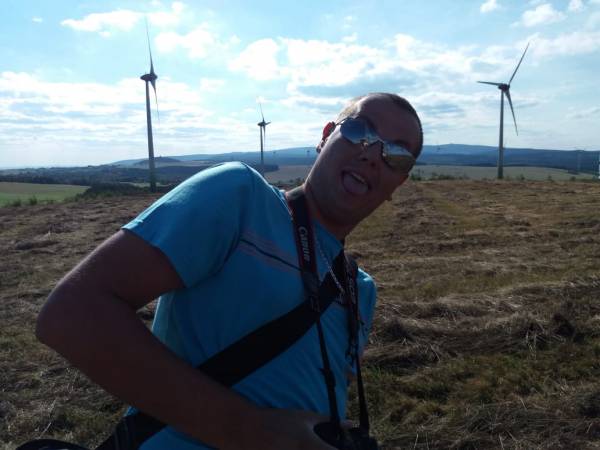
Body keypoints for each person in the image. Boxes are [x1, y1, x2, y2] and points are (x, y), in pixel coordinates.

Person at [35, 92, 423, 450]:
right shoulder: (240, 197)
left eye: (397, 155)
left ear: (399, 183)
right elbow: (72, 315)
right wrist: (251, 432)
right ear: (325, 137)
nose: (373, 155)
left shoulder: (359, 290)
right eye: (359, 131)